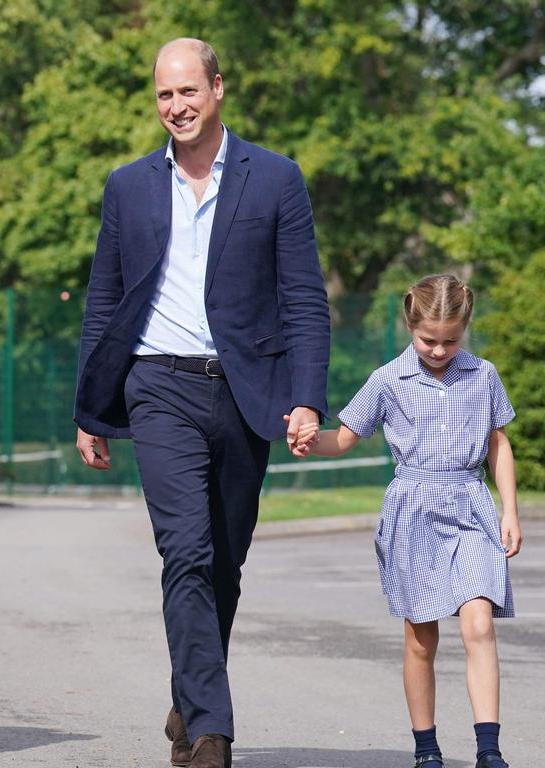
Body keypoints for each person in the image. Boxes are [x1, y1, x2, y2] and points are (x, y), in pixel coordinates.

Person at [74, 38, 330, 768]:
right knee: (184, 551)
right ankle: (212, 732)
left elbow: (304, 300)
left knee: (224, 564)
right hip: (157, 386)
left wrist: (307, 399)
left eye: (188, 92)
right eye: (163, 95)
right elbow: (104, 301)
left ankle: (191, 695)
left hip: (248, 395)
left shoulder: (275, 179)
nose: (176, 107)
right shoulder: (127, 187)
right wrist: (91, 409)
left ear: (218, 88)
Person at [294, 274, 520, 768]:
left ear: (465, 331)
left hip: (469, 505)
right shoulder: (386, 380)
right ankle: (427, 750)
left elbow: (498, 444)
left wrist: (510, 511)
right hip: (413, 511)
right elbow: (345, 438)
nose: (440, 350)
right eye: (428, 340)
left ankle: (489, 751)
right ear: (409, 326)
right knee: (422, 637)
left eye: (451, 340)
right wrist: (310, 439)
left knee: (478, 624)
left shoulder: (483, 375)